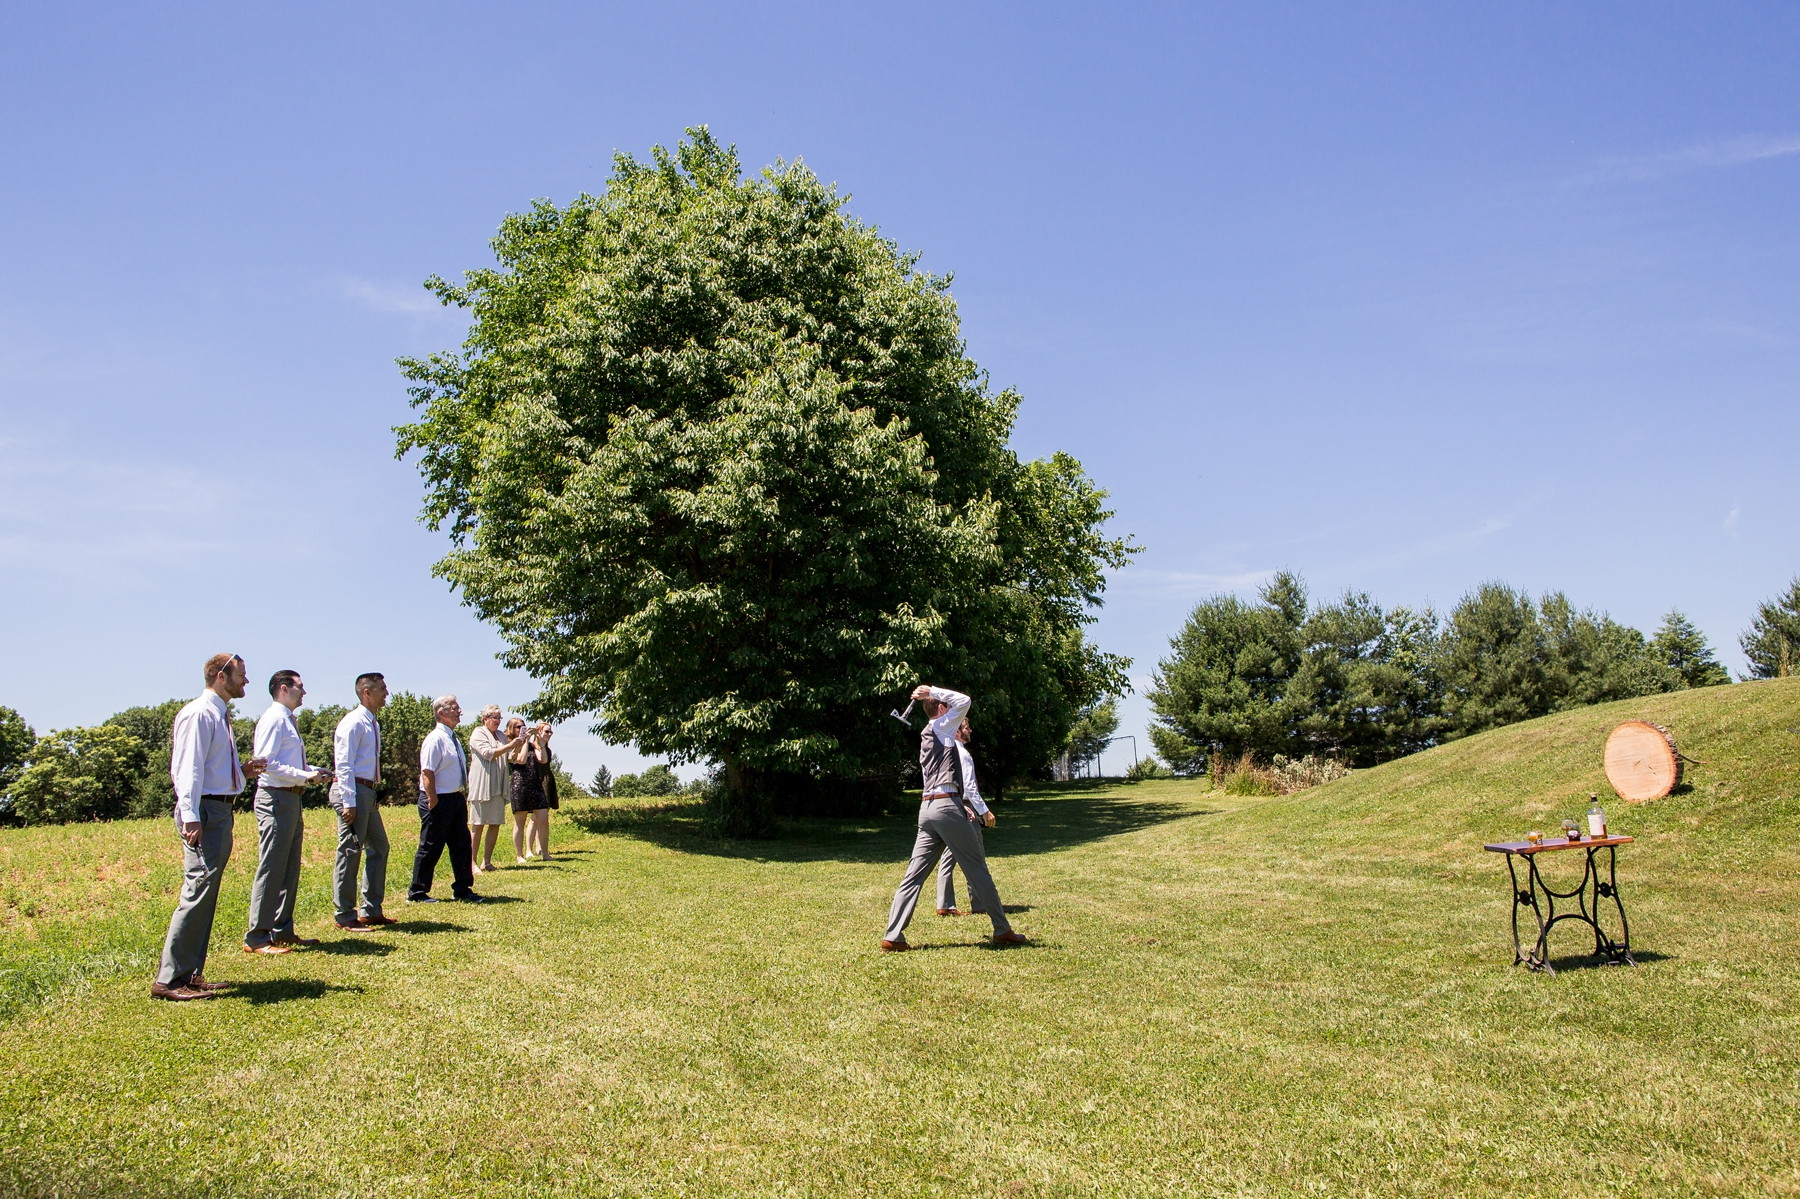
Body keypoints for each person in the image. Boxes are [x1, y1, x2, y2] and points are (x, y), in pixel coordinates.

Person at [152, 652, 267, 1001]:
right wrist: (190, 816)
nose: (246, 681)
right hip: (204, 811)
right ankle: (169, 981)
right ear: (220, 675)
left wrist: (241, 771)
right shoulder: (200, 713)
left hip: (218, 809)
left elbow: (210, 766)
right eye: (241, 675)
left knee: (206, 892)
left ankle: (189, 973)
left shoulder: (219, 714)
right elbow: (187, 769)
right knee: (197, 890)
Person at [881, 684, 1026, 951]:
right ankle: (1002, 930)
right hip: (946, 807)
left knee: (913, 876)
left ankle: (893, 935)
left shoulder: (928, 733)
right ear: (941, 709)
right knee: (977, 868)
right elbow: (965, 700)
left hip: (927, 809)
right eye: (946, 707)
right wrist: (932, 690)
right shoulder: (941, 727)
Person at [244, 669, 332, 954]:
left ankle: (282, 930)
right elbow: (266, 763)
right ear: (283, 688)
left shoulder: (287, 720)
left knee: (289, 867)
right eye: (300, 687)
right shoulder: (274, 719)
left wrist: (311, 773)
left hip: (290, 798)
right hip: (276, 798)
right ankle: (257, 937)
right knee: (272, 867)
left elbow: (284, 763)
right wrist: (304, 776)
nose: (304, 692)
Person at [330, 673, 396, 931]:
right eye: (382, 688)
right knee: (350, 851)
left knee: (379, 846)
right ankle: (345, 914)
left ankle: (371, 909)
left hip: (366, 791)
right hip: (353, 791)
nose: (386, 693)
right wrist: (349, 801)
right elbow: (343, 764)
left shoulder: (372, 723)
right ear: (366, 692)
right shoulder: (353, 723)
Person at [408, 695, 482, 903]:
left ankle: (462, 888)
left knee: (461, 844)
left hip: (455, 799)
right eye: (454, 708)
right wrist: (432, 800)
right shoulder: (435, 739)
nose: (459, 711)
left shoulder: (453, 739)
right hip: (438, 799)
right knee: (431, 845)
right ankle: (417, 892)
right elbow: (427, 772)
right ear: (441, 713)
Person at [935, 720, 997, 917]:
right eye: (966, 727)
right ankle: (979, 904)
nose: (970, 730)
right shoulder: (962, 753)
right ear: (958, 732)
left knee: (948, 856)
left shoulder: (947, 752)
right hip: (965, 806)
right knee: (976, 856)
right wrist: (984, 811)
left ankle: (945, 904)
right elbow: (970, 788)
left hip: (951, 804)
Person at [466, 704, 522, 873]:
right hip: (482, 784)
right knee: (478, 824)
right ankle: (472, 862)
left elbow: (510, 757)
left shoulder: (500, 735)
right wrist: (511, 745)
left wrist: (519, 744)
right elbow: (488, 753)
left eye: (499, 718)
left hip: (498, 784)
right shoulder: (478, 733)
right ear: (485, 719)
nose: (497, 721)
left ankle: (487, 861)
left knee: (495, 823)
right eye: (494, 718)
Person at [507, 719, 556, 863]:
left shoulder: (531, 745)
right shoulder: (511, 745)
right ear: (512, 729)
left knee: (543, 819)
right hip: (520, 785)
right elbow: (521, 760)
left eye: (524, 727)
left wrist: (540, 743)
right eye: (518, 727)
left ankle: (545, 853)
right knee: (520, 822)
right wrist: (524, 740)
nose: (522, 729)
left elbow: (543, 760)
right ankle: (519, 855)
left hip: (535, 784)